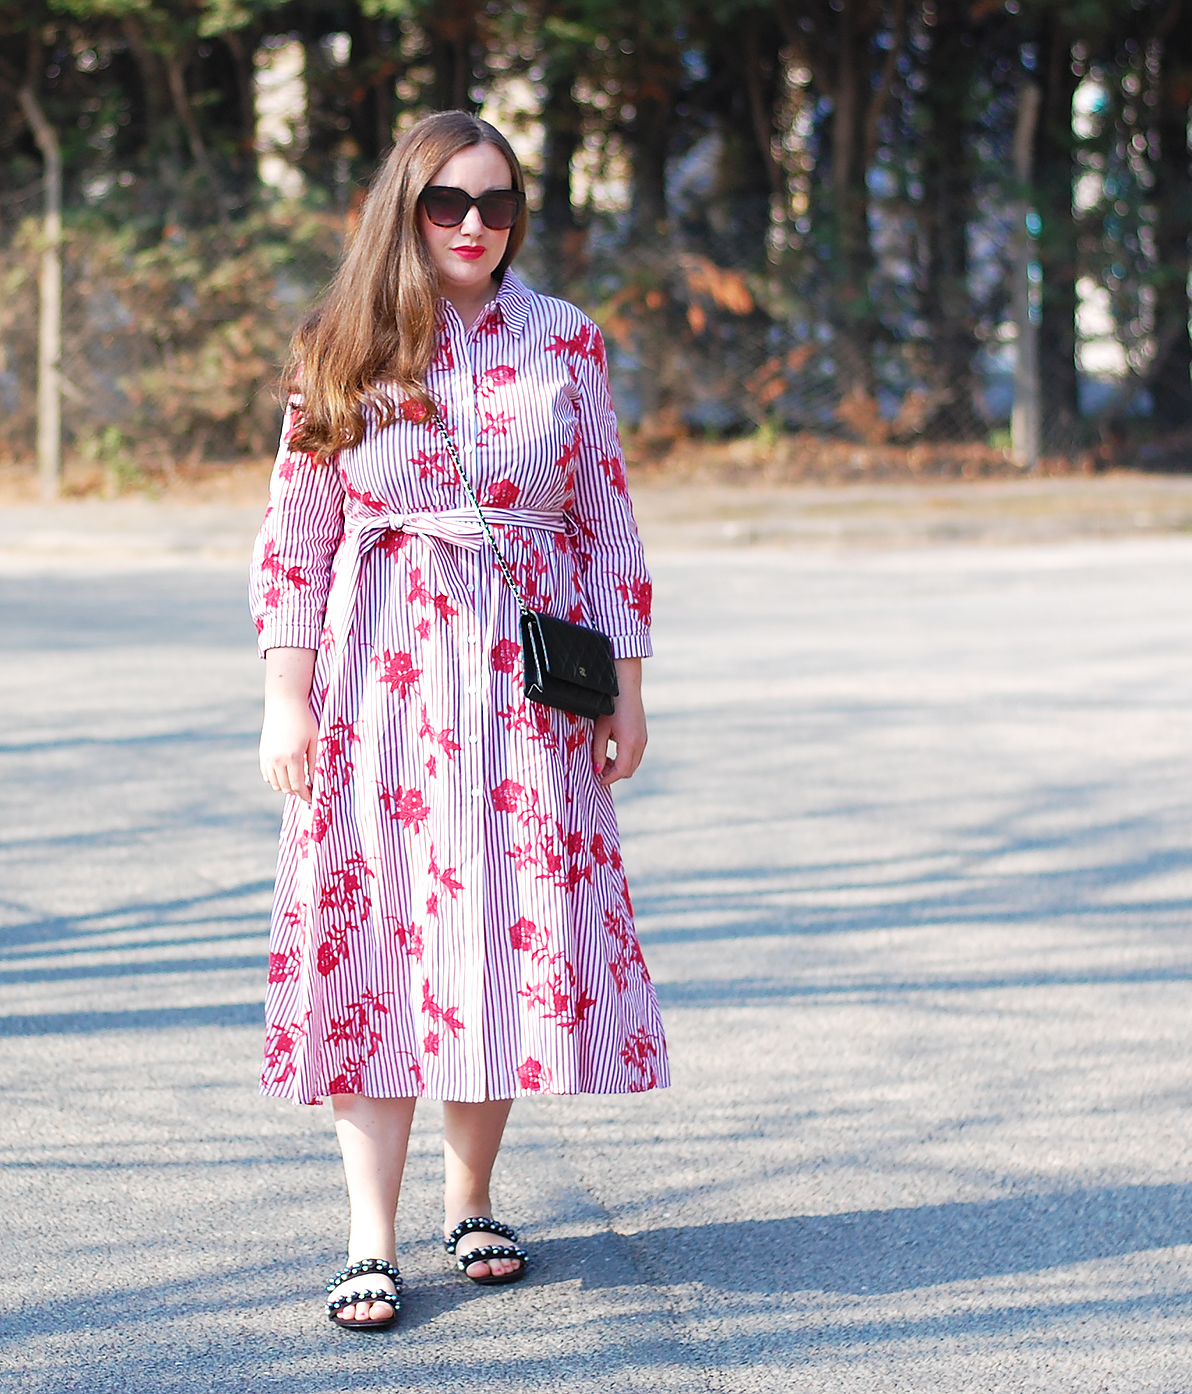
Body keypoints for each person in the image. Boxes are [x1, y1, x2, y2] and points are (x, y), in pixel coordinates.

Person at [250, 110, 668, 1332]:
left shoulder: (566, 343)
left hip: (525, 696)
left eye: (497, 204)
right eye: (448, 203)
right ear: (406, 208)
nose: (476, 225)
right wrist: (286, 697)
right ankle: (366, 1237)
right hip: (376, 685)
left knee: (496, 940)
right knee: (378, 944)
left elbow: (607, 522)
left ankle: (472, 1194)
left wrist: (629, 687)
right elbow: (296, 536)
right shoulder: (339, 346)